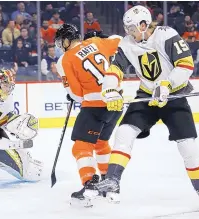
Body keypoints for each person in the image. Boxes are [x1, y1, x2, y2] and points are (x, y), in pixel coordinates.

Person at [96, 5, 199, 205]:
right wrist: (111, 89)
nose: (128, 33)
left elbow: (186, 64)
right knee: (124, 132)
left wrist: (167, 84)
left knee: (188, 147)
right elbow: (115, 69)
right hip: (147, 95)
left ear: (144, 24)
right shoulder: (127, 43)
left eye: (131, 28)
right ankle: (113, 179)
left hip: (174, 97)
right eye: (127, 29)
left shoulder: (166, 35)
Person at [54, 23, 122, 207]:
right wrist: (104, 37)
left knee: (81, 148)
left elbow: (77, 94)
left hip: (95, 106)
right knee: (100, 143)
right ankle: (110, 184)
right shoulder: (96, 41)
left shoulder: (65, 60)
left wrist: (70, 93)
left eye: (61, 42)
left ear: (67, 40)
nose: (61, 46)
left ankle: (90, 186)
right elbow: (122, 42)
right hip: (116, 102)